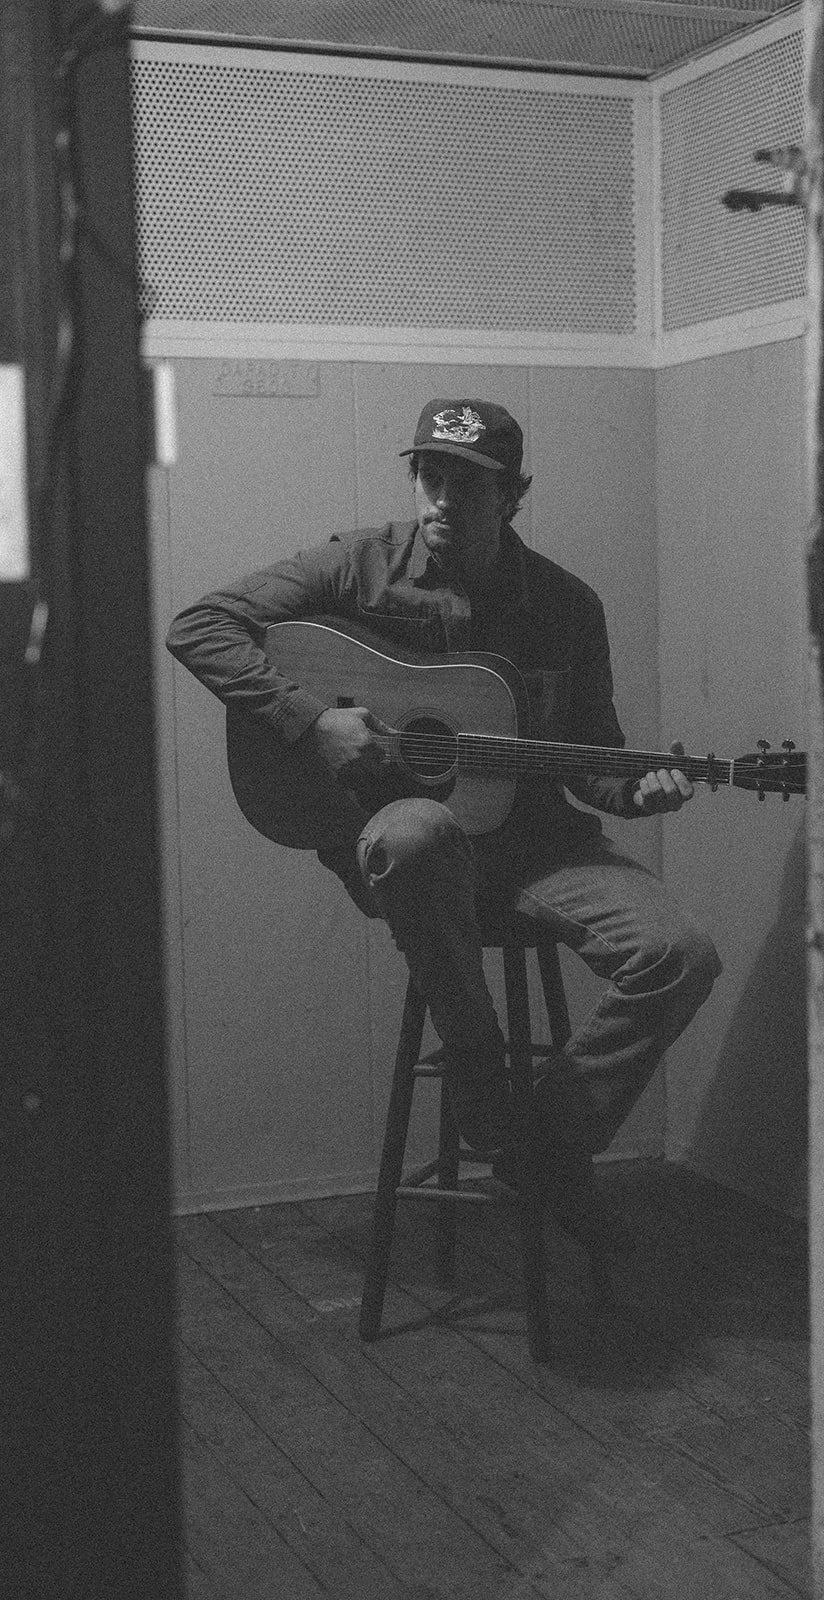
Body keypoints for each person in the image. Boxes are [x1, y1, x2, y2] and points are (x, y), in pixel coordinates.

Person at [167, 398, 721, 1254]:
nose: (441, 499)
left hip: (539, 846)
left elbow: (593, 756)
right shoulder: (360, 564)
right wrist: (309, 720)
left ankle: (539, 1147)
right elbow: (200, 624)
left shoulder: (567, 606)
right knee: (416, 832)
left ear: (512, 495)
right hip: (412, 849)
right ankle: (478, 1066)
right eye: (429, 476)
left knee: (679, 954)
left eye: (466, 483)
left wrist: (634, 791)